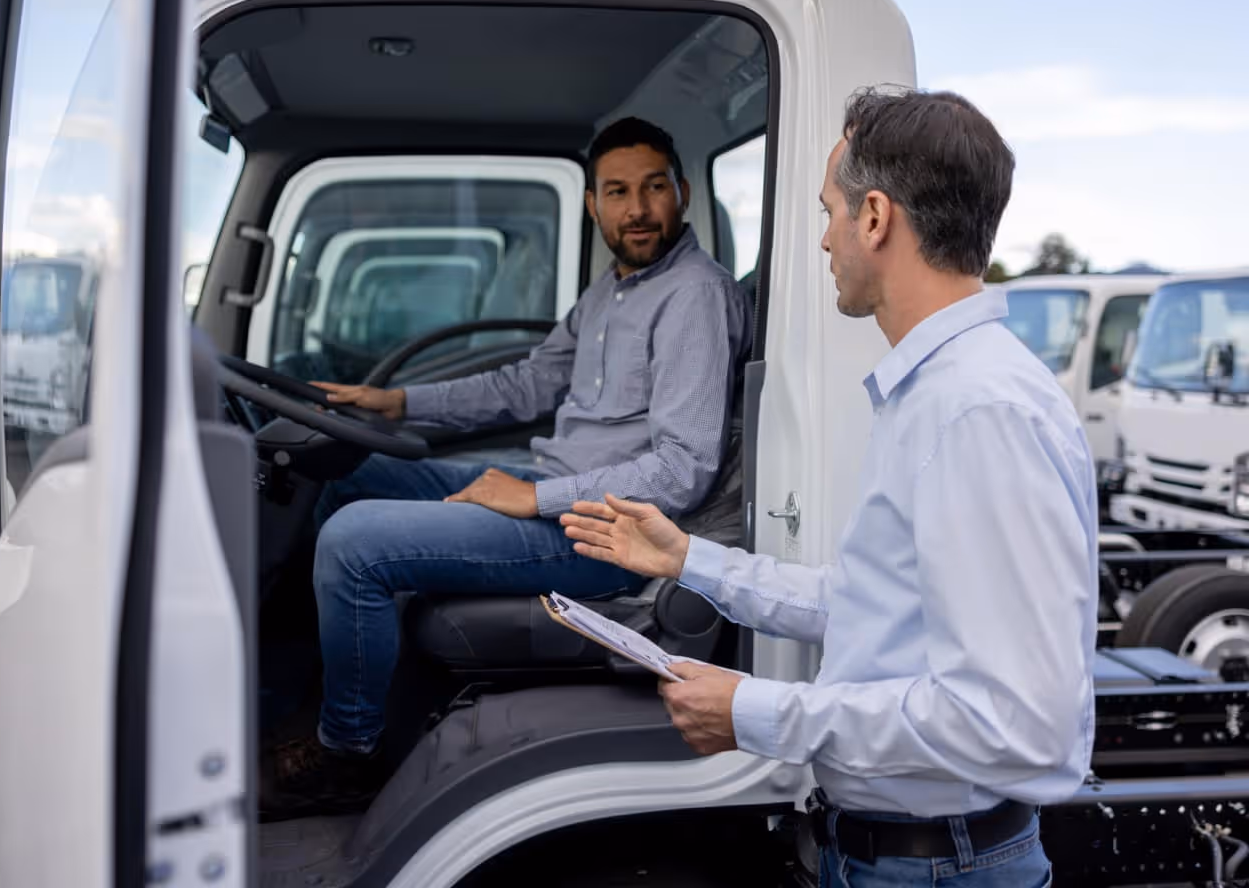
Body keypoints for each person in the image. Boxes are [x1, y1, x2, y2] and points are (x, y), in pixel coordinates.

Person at [562, 88, 1097, 885]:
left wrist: (756, 712)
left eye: (830, 212)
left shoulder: (976, 410)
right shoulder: (941, 393)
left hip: (941, 866)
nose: (823, 239)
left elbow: (1016, 722)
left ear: (875, 217)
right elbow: (872, 607)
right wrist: (689, 560)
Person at [262, 116, 752, 816]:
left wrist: (538, 497)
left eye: (653, 188)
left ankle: (348, 752)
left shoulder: (694, 296)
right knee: (340, 473)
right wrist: (397, 401)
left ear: (682, 193)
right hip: (554, 493)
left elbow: (683, 469)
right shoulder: (614, 291)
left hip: (604, 536)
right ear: (593, 205)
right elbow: (524, 386)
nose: (637, 209)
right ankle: (293, 692)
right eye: (617, 191)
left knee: (353, 542)